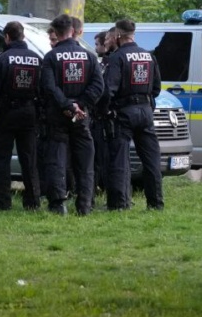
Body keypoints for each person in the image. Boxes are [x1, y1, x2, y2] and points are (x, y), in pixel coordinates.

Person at [39, 13, 104, 215]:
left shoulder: (51, 57)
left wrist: (67, 105)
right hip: (81, 117)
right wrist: (80, 105)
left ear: (56, 34)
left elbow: (49, 87)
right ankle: (84, 205)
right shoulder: (90, 56)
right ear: (73, 31)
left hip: (58, 116)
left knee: (57, 161)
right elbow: (98, 86)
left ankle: (58, 204)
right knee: (85, 162)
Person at [103, 18, 163, 210]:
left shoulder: (117, 58)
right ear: (133, 35)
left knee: (120, 158)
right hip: (145, 111)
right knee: (151, 160)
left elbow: (109, 89)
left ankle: (120, 205)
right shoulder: (148, 55)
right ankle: (156, 204)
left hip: (124, 112)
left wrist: (107, 109)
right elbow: (156, 87)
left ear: (118, 36)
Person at [0, 21, 42, 210]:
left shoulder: (3, 59)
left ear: (7, 37)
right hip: (29, 114)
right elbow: (42, 90)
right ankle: (33, 201)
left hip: (5, 115)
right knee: (30, 160)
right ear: (23, 36)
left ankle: (2, 202)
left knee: (1, 160)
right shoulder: (36, 59)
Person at [92, 27, 118, 198]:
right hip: (112, 115)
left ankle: (109, 190)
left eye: (98, 44)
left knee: (104, 157)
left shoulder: (111, 62)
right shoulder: (104, 62)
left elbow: (106, 90)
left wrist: (103, 110)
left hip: (107, 117)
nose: (96, 48)